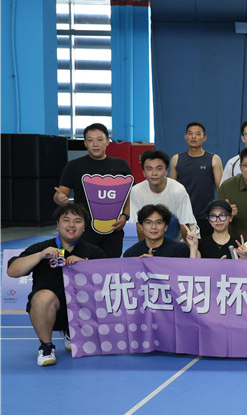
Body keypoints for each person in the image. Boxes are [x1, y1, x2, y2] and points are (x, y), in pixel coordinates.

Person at [6, 203, 104, 366]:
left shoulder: (94, 252)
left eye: (77, 221)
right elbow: (12, 271)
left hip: (84, 314)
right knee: (43, 297)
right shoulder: (41, 248)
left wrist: (86, 266)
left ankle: (74, 332)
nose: (71, 225)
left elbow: (106, 284)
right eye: (66, 220)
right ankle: (46, 347)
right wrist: (40, 256)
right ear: (57, 225)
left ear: (84, 227)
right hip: (51, 312)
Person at [54, 122, 132, 257]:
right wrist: (59, 198)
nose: (95, 144)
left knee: (111, 264)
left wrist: (125, 216)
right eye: (90, 140)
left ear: (107, 141)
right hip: (83, 228)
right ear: (85, 143)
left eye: (100, 140)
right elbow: (61, 194)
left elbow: (129, 194)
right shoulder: (73, 166)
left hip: (113, 227)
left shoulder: (121, 165)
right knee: (83, 264)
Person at [129, 149, 197, 242]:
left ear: (166, 171)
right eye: (149, 169)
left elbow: (185, 225)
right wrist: (145, 248)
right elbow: (139, 226)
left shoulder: (178, 190)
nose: (154, 173)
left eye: (159, 169)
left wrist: (189, 249)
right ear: (143, 172)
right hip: (153, 239)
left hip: (181, 237)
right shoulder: (136, 191)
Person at [169, 121, 223, 235]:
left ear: (204, 138)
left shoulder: (214, 159)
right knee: (185, 245)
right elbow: (171, 188)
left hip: (206, 215)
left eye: (198, 134)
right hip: (183, 215)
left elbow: (221, 188)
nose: (193, 137)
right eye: (190, 133)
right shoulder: (176, 159)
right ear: (185, 137)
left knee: (205, 245)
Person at [122, 204, 196, 258]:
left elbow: (189, 271)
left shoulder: (180, 250)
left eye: (159, 222)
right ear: (141, 227)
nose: (154, 227)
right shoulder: (131, 254)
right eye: (148, 222)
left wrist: (156, 264)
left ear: (165, 227)